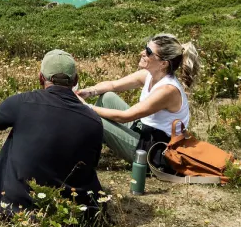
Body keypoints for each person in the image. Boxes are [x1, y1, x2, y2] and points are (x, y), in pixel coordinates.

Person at [0, 49, 102, 217]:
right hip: (73, 216)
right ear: (75, 80)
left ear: (41, 77)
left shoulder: (23, 102)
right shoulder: (94, 120)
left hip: (16, 209)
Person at [77, 33, 198, 169]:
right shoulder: (149, 75)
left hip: (153, 150)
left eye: (148, 52)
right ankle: (89, 145)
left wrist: (86, 106)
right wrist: (89, 91)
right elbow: (113, 85)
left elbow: (125, 117)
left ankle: (79, 155)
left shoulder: (167, 90)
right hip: (145, 131)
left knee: (97, 120)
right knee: (107, 97)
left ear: (163, 64)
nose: (142, 53)